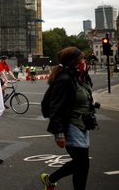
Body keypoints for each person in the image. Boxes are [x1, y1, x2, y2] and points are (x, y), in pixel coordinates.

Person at [40, 47, 95, 190]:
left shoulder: (80, 76)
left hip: (83, 124)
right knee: (82, 164)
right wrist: (59, 134)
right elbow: (55, 108)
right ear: (74, 62)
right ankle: (51, 179)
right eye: (81, 59)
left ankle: (50, 179)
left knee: (80, 163)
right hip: (71, 126)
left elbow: (82, 97)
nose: (84, 61)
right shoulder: (64, 79)